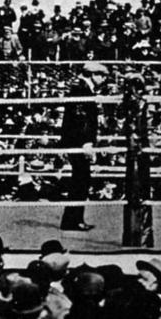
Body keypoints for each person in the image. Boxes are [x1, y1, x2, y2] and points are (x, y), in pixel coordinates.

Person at [59, 63, 106, 231]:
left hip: (76, 141)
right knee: (81, 180)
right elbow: (81, 118)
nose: (104, 79)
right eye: (101, 75)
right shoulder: (82, 90)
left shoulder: (81, 88)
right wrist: (86, 141)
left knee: (79, 180)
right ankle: (73, 220)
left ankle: (71, 219)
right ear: (93, 74)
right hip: (79, 142)